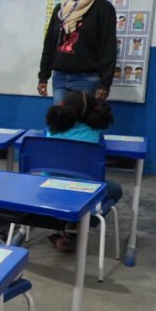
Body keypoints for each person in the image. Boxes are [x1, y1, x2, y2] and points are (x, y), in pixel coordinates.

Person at [45, 89, 122, 251]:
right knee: (114, 189)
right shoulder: (95, 133)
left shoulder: (50, 130)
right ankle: (77, 225)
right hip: (81, 194)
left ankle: (56, 228)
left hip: (46, 190)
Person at [38, 0, 116, 102]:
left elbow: (108, 47)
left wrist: (105, 83)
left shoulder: (103, 8)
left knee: (82, 122)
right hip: (60, 77)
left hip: (87, 79)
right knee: (61, 121)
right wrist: (43, 76)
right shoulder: (60, 9)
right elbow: (49, 43)